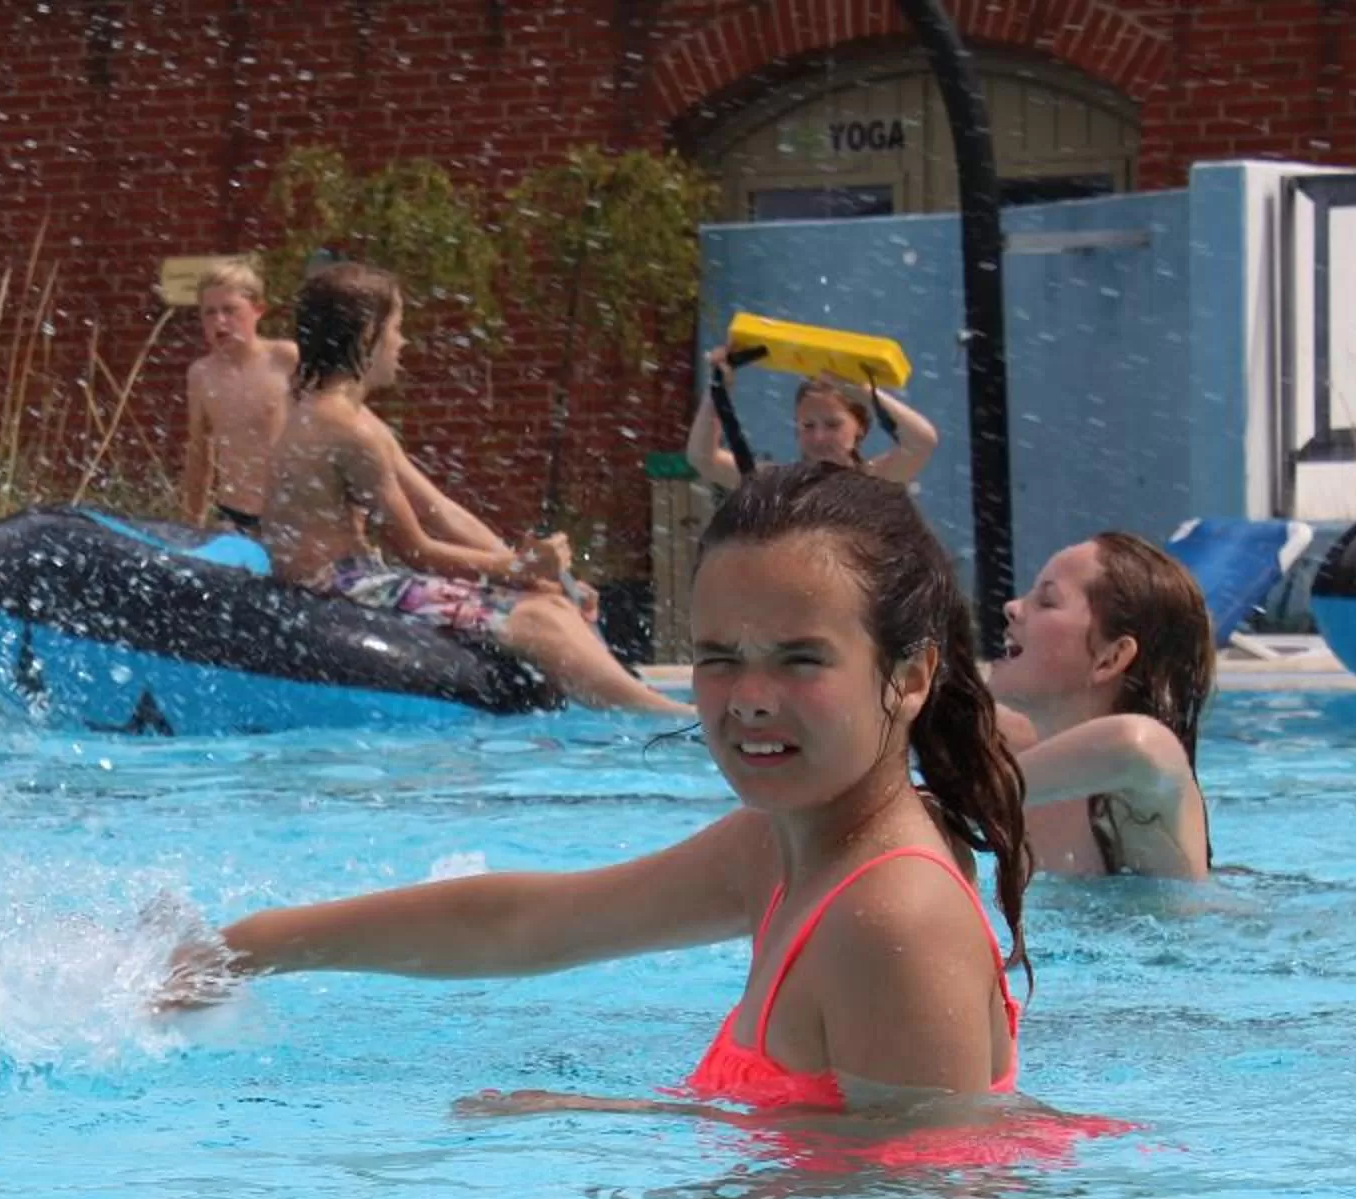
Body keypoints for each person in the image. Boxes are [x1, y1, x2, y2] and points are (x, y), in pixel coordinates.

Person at [175, 460, 1037, 1133]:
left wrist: (616, 1121)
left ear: (912, 673)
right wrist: (241, 948)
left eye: (800, 658)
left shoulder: (892, 918)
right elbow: (528, 924)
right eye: (718, 656)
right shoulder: (785, 845)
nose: (749, 698)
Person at [258, 262, 684, 717]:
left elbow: (442, 511)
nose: (403, 344)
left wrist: (537, 575)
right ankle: (660, 719)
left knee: (549, 602)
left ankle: (651, 709)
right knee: (540, 619)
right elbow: (416, 551)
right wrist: (515, 567)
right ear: (368, 334)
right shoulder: (345, 430)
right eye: (398, 328)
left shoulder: (349, 419)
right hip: (338, 589)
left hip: (358, 579)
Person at [990, 533, 1214, 880]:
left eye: (1047, 601)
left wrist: (973, 798)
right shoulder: (1008, 741)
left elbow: (1135, 744)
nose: (1013, 606)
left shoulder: (1140, 789)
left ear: (1110, 659)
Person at [686, 346, 938, 492]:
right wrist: (718, 389)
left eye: (833, 424)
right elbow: (703, 459)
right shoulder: (781, 485)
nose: (819, 437)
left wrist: (862, 392)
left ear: (859, 428)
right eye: (808, 426)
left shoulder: (874, 481)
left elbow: (922, 441)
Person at [178, 260, 298, 535]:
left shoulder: (285, 358)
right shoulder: (201, 374)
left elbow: (332, 431)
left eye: (230, 310)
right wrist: (190, 525)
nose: (219, 321)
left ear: (258, 310)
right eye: (209, 313)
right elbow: (199, 453)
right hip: (233, 514)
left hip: (289, 514)